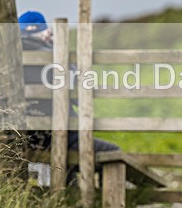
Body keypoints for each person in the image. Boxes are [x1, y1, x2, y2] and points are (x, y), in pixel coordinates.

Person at [19, 11, 120, 185]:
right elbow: (79, 96)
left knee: (65, 162)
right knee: (114, 154)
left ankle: (63, 198)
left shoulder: (11, 59)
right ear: (45, 32)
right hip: (60, 136)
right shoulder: (56, 57)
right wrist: (62, 53)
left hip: (24, 138)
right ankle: (98, 205)